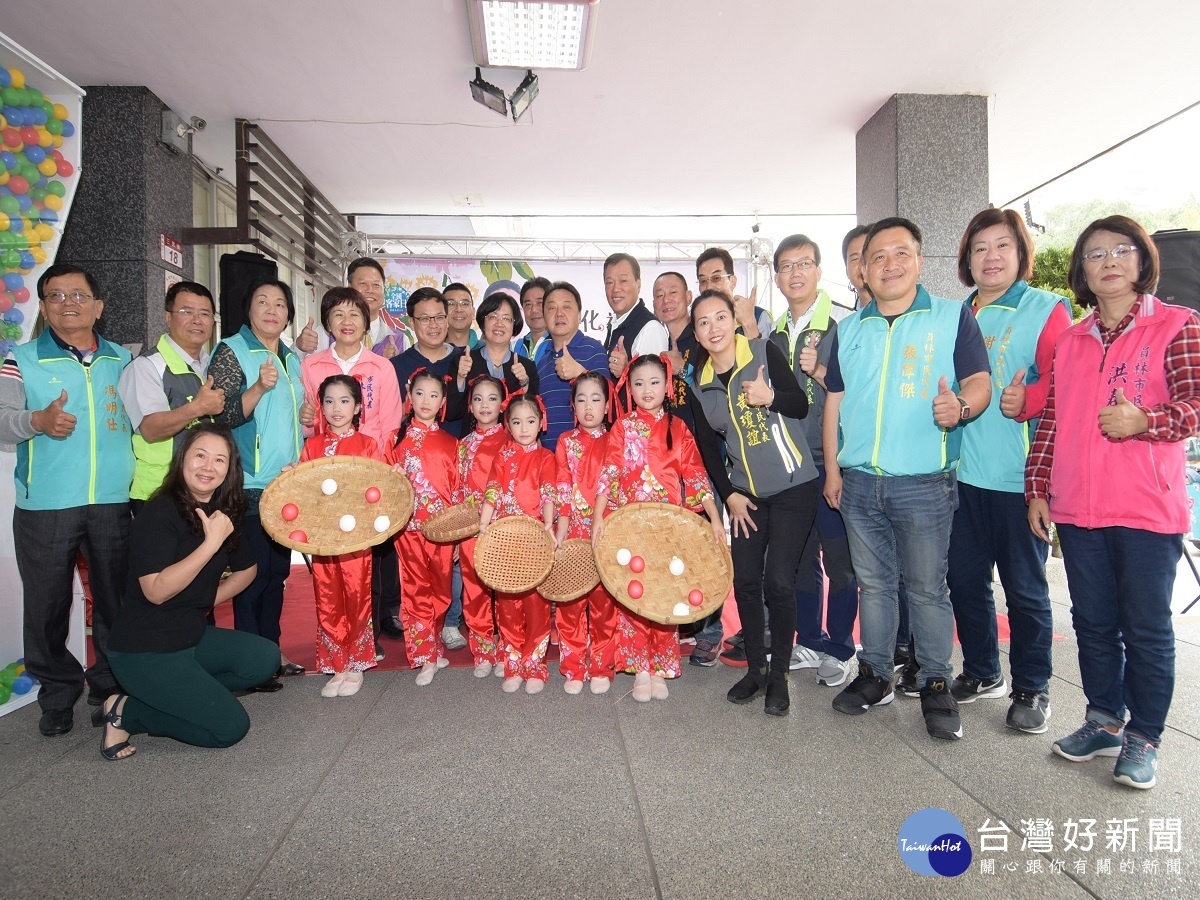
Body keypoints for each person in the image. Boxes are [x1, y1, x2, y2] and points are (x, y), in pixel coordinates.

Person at [1028, 215, 1200, 790]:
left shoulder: (1177, 325)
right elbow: (1051, 419)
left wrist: (1143, 420)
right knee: (1094, 623)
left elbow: (1195, 406)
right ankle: (1103, 722)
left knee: (1147, 628)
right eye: (1095, 254)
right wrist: (1038, 488)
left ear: (1142, 260)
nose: (1108, 262)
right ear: (1081, 269)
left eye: (1121, 251)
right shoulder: (1073, 339)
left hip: (1148, 507)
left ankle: (1144, 737)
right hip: (1078, 507)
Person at [822, 217, 992, 742]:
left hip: (924, 483)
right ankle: (875, 673)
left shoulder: (951, 317)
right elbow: (835, 402)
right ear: (864, 272)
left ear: (919, 260)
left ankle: (936, 682)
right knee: (873, 585)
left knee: (925, 588)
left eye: (901, 253)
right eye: (878, 257)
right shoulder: (848, 329)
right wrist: (833, 468)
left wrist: (960, 407)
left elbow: (981, 382)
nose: (889, 264)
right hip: (860, 482)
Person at [947, 209, 1072, 734]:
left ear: (1021, 254)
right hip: (960, 477)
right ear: (966, 260)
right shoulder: (957, 315)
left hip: (1019, 480)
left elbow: (1069, 389)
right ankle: (981, 670)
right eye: (980, 248)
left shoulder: (1047, 310)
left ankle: (1032, 687)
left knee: (1024, 588)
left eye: (1002, 246)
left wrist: (1030, 399)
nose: (991, 257)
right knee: (962, 580)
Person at [0, 263, 134, 736]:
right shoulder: (22, 358)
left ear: (98, 306)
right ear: (42, 306)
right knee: (47, 606)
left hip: (114, 501)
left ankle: (110, 683)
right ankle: (57, 693)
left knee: (116, 603)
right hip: (47, 504)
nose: (67, 303)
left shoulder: (123, 359)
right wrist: (36, 421)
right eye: (55, 296)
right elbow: (2, 419)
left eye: (78, 295)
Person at [102, 424, 278, 758]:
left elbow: (248, 569)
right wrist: (210, 544)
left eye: (219, 460)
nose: (208, 466)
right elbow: (155, 591)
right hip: (144, 651)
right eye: (200, 455)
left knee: (264, 659)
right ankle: (127, 713)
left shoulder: (223, 512)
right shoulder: (158, 513)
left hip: (190, 636)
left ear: (230, 469)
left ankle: (181, 696)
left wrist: (206, 599)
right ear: (183, 458)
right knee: (229, 729)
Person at [690, 292, 819, 715]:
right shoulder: (700, 383)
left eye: (721, 317)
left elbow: (799, 404)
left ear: (733, 319)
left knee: (779, 582)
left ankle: (779, 674)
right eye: (704, 322)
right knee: (745, 581)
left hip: (793, 487)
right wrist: (729, 494)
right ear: (697, 333)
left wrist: (771, 398)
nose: (714, 327)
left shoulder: (765, 351)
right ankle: (757, 670)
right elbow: (709, 448)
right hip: (746, 497)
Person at [593, 354, 724, 703]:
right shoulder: (621, 428)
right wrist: (599, 517)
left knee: (666, 595)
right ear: (628, 389)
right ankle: (641, 668)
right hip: (630, 525)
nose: (646, 390)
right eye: (638, 383)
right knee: (634, 594)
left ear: (666, 386)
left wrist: (713, 516)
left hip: (669, 528)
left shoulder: (678, 427)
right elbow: (610, 472)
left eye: (653, 382)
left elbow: (695, 473)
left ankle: (663, 664)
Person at [768, 235, 858, 689]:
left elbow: (856, 396)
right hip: (790, 467)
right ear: (777, 276)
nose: (795, 273)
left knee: (840, 558)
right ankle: (808, 638)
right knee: (802, 560)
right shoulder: (774, 335)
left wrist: (818, 372)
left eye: (804, 263)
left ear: (820, 272)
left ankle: (842, 648)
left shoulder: (844, 328)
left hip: (830, 462)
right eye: (786, 266)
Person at [208, 277, 306, 689]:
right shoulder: (231, 350)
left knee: (277, 573)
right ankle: (252, 661)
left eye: (280, 304)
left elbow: (291, 412)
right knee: (253, 573)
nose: (271, 309)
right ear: (248, 309)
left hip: (285, 484)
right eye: (262, 301)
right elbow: (220, 415)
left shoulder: (290, 357)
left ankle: (272, 652)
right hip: (248, 484)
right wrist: (258, 386)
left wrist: (305, 420)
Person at [298, 286, 403, 655]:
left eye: (355, 315)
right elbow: (310, 421)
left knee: (366, 563)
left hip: (366, 478)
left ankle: (364, 642)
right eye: (338, 314)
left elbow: (390, 424)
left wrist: (368, 471)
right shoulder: (311, 365)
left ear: (366, 321)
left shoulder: (381, 366)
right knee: (329, 566)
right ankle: (336, 642)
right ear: (327, 321)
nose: (347, 322)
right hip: (325, 479)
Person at [298, 375, 380, 698]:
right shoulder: (312, 446)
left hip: (356, 537)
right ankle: (337, 663)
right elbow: (305, 491)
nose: (336, 408)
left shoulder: (368, 444)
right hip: (322, 536)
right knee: (327, 595)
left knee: (357, 595)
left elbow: (376, 490)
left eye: (344, 401)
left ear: (358, 406)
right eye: (329, 401)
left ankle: (357, 662)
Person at [478, 393, 559, 695]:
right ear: (507, 426)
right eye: (516, 422)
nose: (524, 428)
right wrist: (484, 525)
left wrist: (549, 525)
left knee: (537, 604)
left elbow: (550, 493)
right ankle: (512, 662)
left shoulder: (546, 457)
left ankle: (534, 664)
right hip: (504, 540)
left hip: (535, 538)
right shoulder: (502, 457)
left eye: (530, 421)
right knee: (507, 603)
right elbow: (492, 491)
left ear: (541, 423)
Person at [119, 281, 224, 509]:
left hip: (204, 491)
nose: (197, 320)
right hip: (158, 494)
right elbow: (151, 429)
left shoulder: (212, 365)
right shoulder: (146, 367)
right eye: (187, 312)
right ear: (168, 317)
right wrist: (197, 408)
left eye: (204, 314)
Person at [384, 370, 459, 686]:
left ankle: (434, 640)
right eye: (420, 393)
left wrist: (456, 536)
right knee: (415, 591)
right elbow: (385, 488)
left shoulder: (451, 442)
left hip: (441, 531)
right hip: (409, 530)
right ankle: (424, 654)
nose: (426, 401)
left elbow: (458, 493)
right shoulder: (395, 439)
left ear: (442, 401)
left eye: (433, 395)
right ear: (409, 396)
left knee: (441, 591)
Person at [553, 371, 620, 695]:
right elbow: (562, 488)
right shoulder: (565, 442)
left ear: (607, 406)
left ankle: (601, 665)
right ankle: (574, 666)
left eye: (596, 399)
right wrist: (562, 533)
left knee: (605, 604)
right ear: (572, 406)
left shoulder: (616, 440)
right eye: (581, 400)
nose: (589, 407)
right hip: (574, 534)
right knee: (570, 604)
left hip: (606, 533)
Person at [454, 375, 510, 677]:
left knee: (506, 592)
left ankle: (507, 649)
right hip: (472, 530)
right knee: (474, 591)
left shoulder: (513, 438)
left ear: (502, 404)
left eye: (491, 398)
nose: (484, 405)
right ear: (471, 406)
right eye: (478, 399)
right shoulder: (462, 446)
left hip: (505, 529)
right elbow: (458, 491)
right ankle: (483, 650)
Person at [534, 281, 610, 450]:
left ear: (580, 314)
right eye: (552, 308)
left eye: (566, 307)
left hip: (588, 456)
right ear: (544, 317)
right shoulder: (541, 361)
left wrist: (580, 373)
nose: (559, 314)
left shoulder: (594, 349)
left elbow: (609, 401)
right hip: (550, 459)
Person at [295, 257, 413, 359]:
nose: (370, 290)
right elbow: (294, 370)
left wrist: (394, 364)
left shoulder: (400, 340)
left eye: (376, 285)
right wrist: (299, 347)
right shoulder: (327, 333)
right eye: (363, 284)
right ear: (349, 287)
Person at [451, 291, 540, 407]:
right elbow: (451, 414)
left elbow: (535, 414)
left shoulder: (527, 367)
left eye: (506, 318)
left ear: (514, 326)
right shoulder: (463, 361)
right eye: (493, 317)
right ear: (483, 323)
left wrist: (525, 383)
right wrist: (460, 379)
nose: (499, 323)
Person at [602, 253, 669, 379]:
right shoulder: (616, 324)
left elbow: (652, 389)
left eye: (623, 281)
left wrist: (626, 370)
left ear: (638, 284)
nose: (616, 289)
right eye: (609, 282)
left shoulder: (650, 328)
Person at [696, 247, 774, 339]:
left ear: (732, 281)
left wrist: (749, 323)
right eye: (703, 281)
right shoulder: (699, 322)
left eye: (716, 278)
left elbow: (766, 353)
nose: (709, 286)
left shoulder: (758, 316)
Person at [519, 277, 552, 359]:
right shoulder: (514, 347)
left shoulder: (561, 344)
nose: (533, 310)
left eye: (540, 303)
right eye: (528, 304)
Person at [444, 282, 482, 350]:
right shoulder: (431, 350)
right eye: (451, 304)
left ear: (473, 312)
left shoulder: (487, 351)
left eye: (464, 304)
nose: (458, 309)